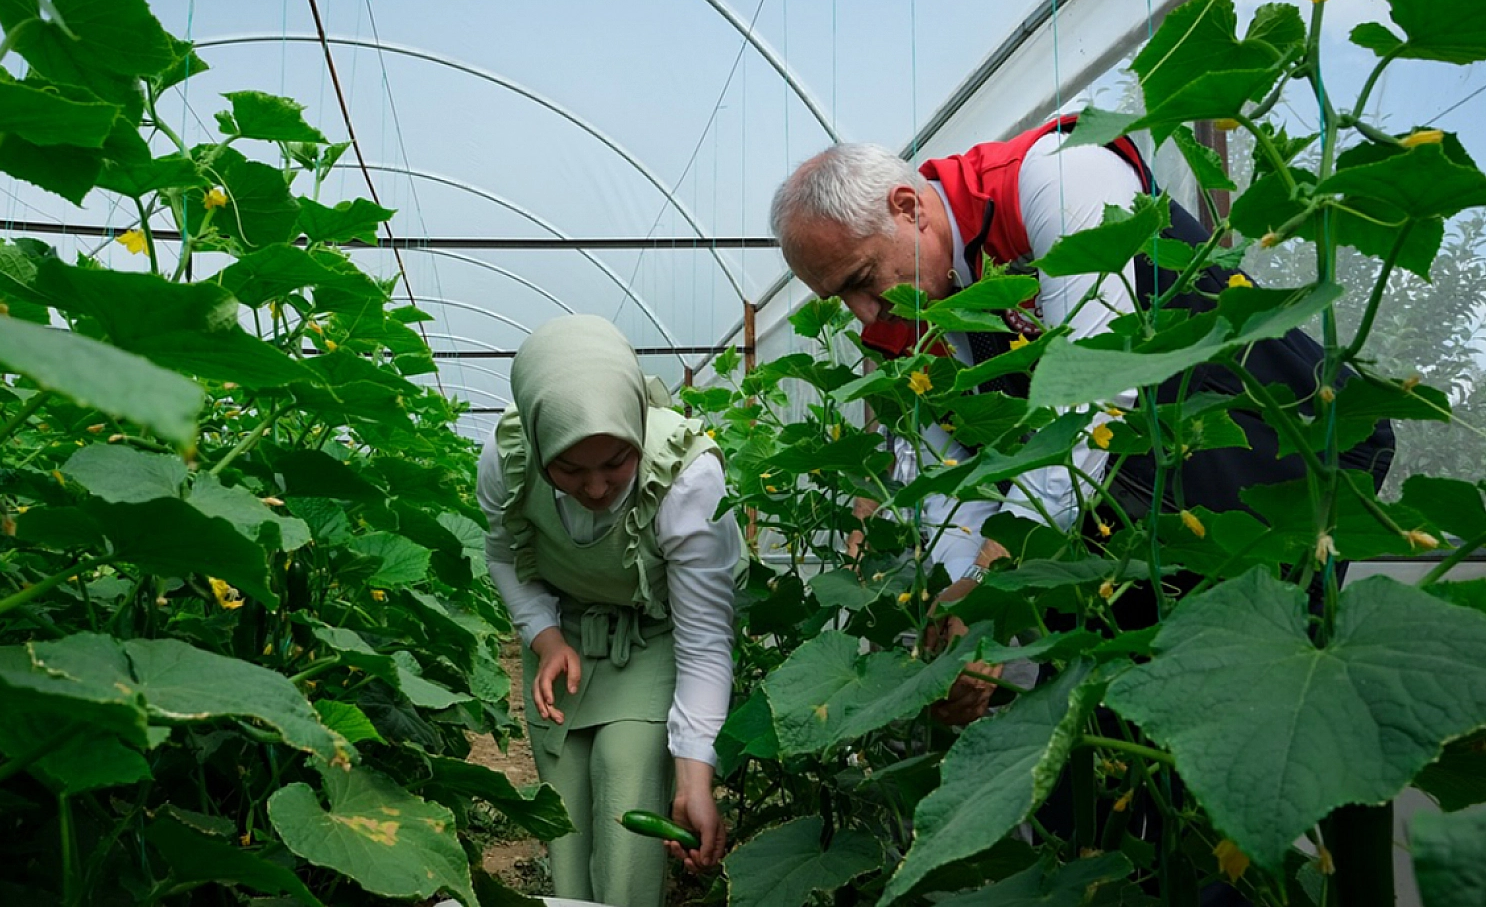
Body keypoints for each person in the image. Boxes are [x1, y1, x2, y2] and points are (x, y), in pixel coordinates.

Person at [769, 115, 1394, 690]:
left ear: (908, 209)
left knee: (1265, 715)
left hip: (1271, 460)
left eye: (860, 278)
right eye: (840, 297)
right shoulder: (909, 315)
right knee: (1122, 757)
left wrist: (992, 585)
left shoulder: (1057, 174)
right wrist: (966, 593)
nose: (863, 312)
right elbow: (951, 477)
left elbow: (1092, 394)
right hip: (1125, 517)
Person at [476, 314, 741, 907]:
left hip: (651, 637)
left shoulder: (685, 477)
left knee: (626, 796)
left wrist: (695, 770)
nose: (595, 488)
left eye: (615, 462)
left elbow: (704, 637)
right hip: (563, 641)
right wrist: (544, 637)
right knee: (564, 825)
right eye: (569, 469)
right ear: (541, 444)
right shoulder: (506, 458)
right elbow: (500, 554)